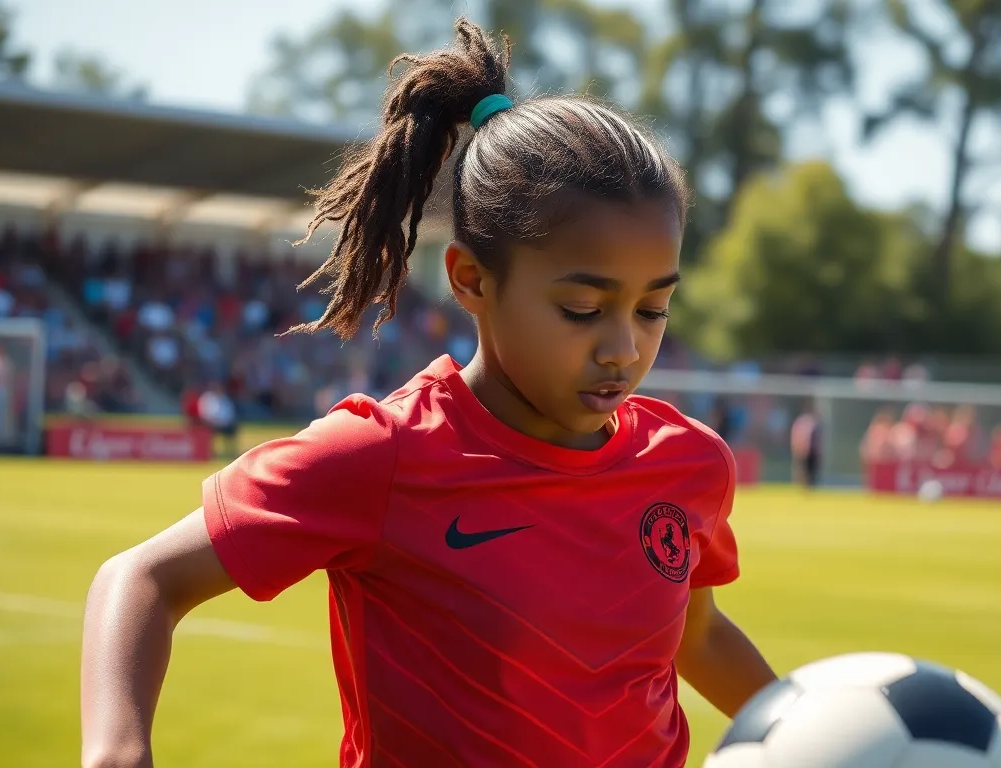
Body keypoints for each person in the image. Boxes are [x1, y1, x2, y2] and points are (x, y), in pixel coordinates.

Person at [79, 20, 777, 768]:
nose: (623, 347)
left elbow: (697, 636)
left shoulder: (689, 466)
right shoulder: (383, 456)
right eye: (582, 308)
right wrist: (118, 749)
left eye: (652, 309)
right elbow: (141, 577)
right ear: (471, 280)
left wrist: (809, 728)